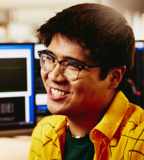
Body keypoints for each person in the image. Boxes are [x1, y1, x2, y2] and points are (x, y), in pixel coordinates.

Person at [29, 3, 144, 160]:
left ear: (114, 77)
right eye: (50, 58)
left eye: (72, 65)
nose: (54, 76)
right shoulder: (44, 131)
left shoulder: (140, 142)